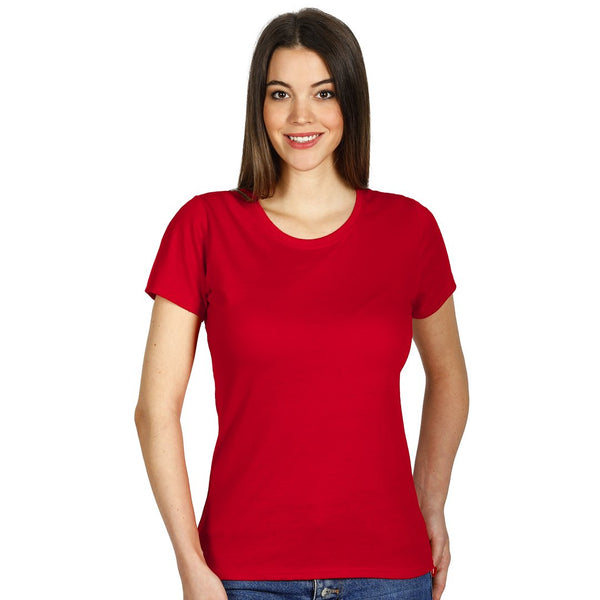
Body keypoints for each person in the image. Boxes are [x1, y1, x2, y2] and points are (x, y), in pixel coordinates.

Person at [135, 8, 469, 600]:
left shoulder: (410, 229)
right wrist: (189, 562)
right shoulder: (204, 226)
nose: (300, 117)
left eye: (323, 93)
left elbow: (448, 377)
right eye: (280, 94)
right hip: (241, 575)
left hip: (390, 572)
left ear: (351, 102)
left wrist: (431, 502)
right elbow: (155, 410)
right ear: (258, 106)